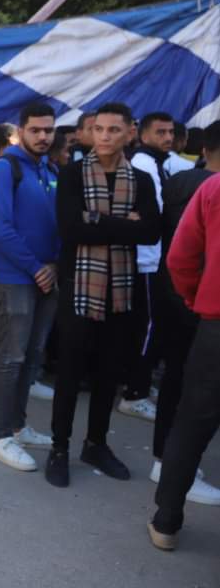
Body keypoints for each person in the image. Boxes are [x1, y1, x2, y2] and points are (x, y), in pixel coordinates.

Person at [45, 103, 161, 488]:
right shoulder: (73, 174)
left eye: (114, 129)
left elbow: (151, 232)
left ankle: (96, 444)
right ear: (91, 132)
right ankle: (59, 448)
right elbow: (70, 230)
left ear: (129, 132)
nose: (105, 136)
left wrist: (95, 219)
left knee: (109, 372)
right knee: (70, 371)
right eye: (99, 129)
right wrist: (123, 223)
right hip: (79, 287)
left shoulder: (140, 180)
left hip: (122, 291)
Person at [148, 120, 220, 505]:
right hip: (201, 305)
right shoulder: (207, 188)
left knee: (180, 389)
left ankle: (167, 489)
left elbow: (174, 253)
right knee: (192, 402)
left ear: (203, 150)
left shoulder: (181, 183)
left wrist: (192, 295)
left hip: (184, 298)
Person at [0, 103, 60, 472]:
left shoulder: (50, 169)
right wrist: (36, 268)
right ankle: (0, 436)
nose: (43, 136)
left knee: (33, 356)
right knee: (12, 358)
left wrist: (54, 266)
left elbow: (59, 225)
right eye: (36, 130)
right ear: (21, 131)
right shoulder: (6, 167)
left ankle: (17, 425)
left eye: (49, 130)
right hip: (14, 277)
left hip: (47, 277)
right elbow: (0, 230)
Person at [119, 111, 178, 422]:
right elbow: (155, 210)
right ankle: (135, 393)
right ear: (143, 135)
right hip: (145, 259)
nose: (168, 138)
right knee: (147, 328)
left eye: (170, 132)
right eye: (161, 132)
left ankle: (138, 384)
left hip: (152, 257)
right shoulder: (143, 163)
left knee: (146, 327)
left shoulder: (156, 162)